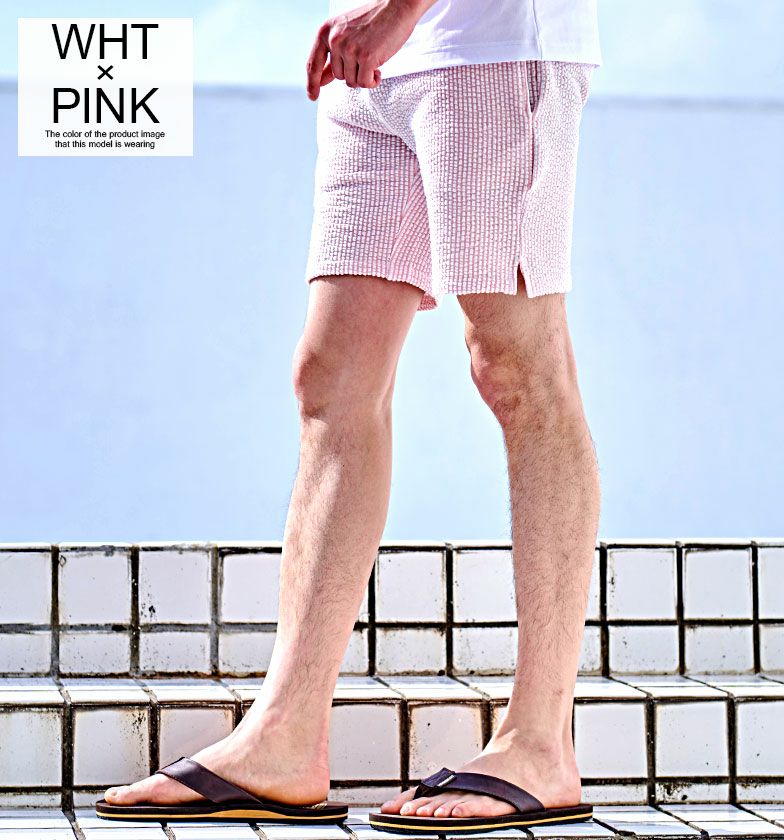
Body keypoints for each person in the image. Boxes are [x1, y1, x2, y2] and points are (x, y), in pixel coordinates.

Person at [97, 0, 602, 831]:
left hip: (488, 49)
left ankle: (541, 744)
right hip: (371, 68)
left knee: (518, 368)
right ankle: (284, 736)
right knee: (331, 382)